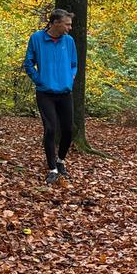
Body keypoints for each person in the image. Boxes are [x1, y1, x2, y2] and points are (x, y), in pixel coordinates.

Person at [23, 9, 78, 185]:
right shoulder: (37, 38)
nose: (70, 28)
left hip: (65, 93)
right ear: (55, 22)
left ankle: (61, 161)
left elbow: (74, 64)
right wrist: (39, 80)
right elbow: (28, 63)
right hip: (45, 93)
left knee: (68, 130)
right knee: (51, 129)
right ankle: (52, 168)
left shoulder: (69, 41)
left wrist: (70, 77)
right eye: (67, 24)